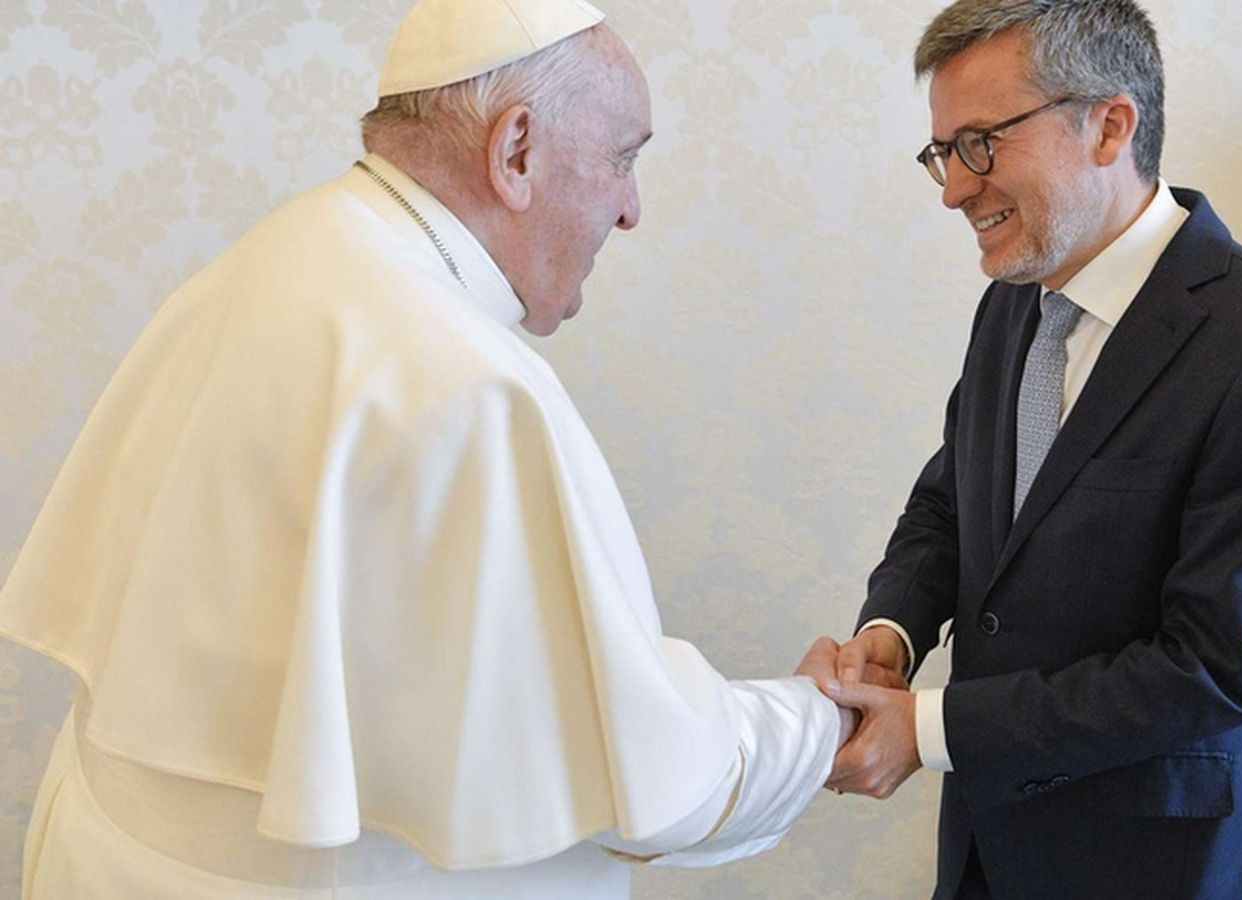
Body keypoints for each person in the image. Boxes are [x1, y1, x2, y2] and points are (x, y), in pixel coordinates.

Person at [0, 1, 861, 896]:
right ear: (516, 150)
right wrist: (818, 721)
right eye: (623, 158)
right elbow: (647, 778)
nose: (631, 208)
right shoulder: (467, 385)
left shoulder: (270, 258)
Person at [809, 1, 1242, 896]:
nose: (954, 188)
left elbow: (1211, 669)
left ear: (1110, 126)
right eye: (943, 152)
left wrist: (933, 730)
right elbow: (954, 503)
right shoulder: (1015, 297)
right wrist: (890, 633)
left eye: (981, 142)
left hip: (1169, 863)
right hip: (990, 845)